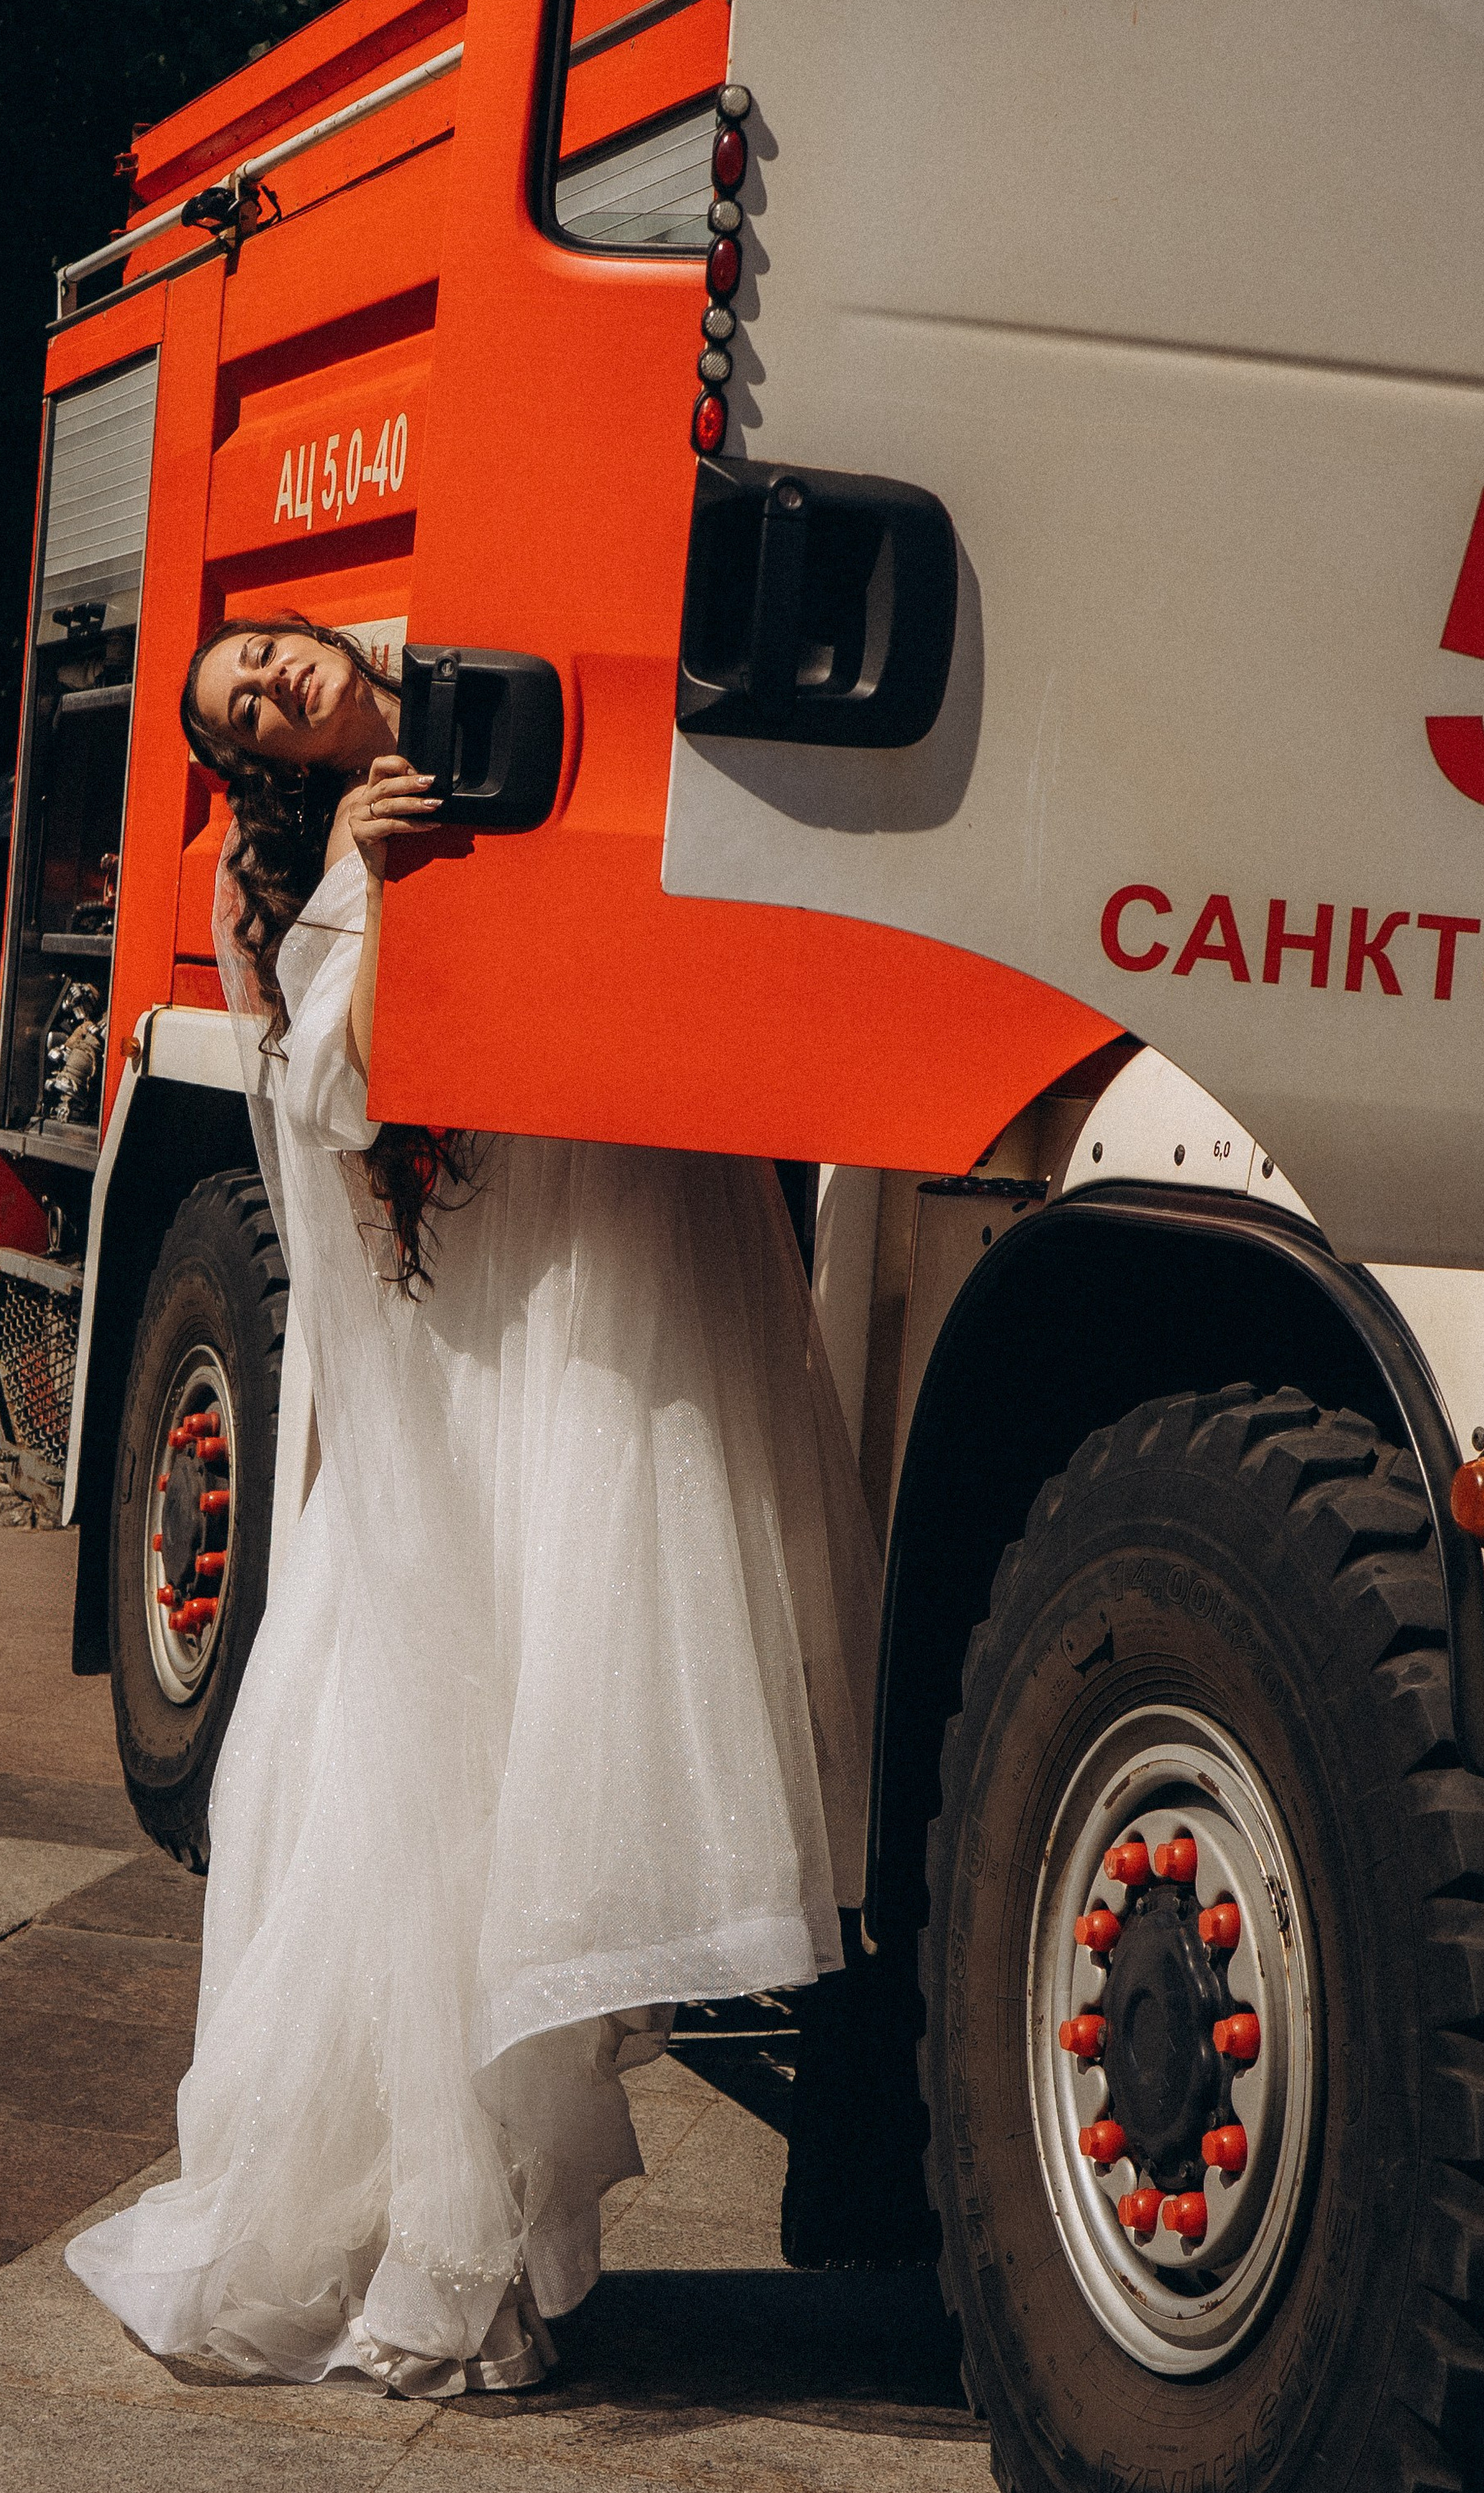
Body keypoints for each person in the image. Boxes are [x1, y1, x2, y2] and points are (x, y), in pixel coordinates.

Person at [65, 616, 879, 2396]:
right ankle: (453, 2240)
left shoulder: (500, 686)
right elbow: (311, 1098)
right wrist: (351, 878)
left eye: (264, 655)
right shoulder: (273, 873)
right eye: (238, 708)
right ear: (250, 765)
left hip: (591, 1260)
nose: (269, 683)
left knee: (563, 1737)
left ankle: (505, 2234)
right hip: (473, 1332)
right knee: (438, 1764)